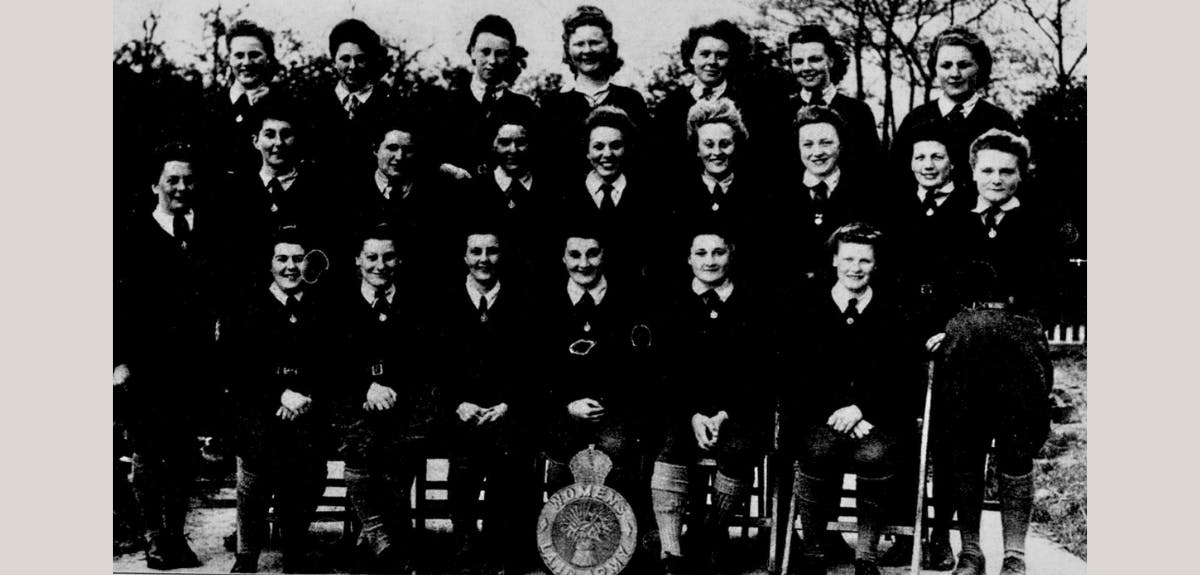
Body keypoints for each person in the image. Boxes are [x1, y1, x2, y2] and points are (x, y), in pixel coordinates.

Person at [782, 223, 922, 575]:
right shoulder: (808, 307)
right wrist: (836, 411)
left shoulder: (894, 311)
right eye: (848, 259)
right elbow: (798, 374)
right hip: (820, 418)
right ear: (834, 260)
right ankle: (813, 551)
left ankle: (866, 556)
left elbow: (903, 377)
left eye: (864, 260)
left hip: (876, 421)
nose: (855, 268)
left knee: (875, 455)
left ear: (876, 265)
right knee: (817, 450)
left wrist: (861, 410)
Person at [114, 142, 218, 571]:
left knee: (183, 453)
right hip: (145, 363)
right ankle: (153, 536)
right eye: (172, 179)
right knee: (147, 450)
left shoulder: (209, 232)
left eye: (188, 180)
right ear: (154, 185)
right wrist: (117, 359)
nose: (181, 187)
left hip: (193, 363)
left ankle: (176, 533)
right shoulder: (130, 232)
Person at [648, 228, 775, 575]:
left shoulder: (753, 303)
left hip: (737, 413)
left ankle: (711, 535)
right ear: (688, 258)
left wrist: (724, 414)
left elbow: (760, 371)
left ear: (731, 255)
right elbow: (663, 371)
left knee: (738, 449)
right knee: (669, 444)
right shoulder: (670, 303)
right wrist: (692, 415)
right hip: (683, 413)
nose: (710, 261)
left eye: (718, 252)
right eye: (701, 253)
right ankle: (671, 552)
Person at [223, 226, 335, 573]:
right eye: (282, 258)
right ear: (269, 263)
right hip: (260, 411)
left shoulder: (324, 308)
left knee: (308, 473)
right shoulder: (246, 307)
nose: (290, 267)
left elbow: (335, 362)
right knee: (256, 467)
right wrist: (279, 395)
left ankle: (294, 548)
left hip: (308, 412)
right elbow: (236, 368)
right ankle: (247, 553)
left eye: (298, 259)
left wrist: (308, 397)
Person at [932, 260, 1053, 575]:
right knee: (965, 451)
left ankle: (1014, 555)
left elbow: (1052, 277)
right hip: (966, 337)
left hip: (1020, 338)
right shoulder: (961, 317)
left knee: (1017, 451)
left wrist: (1032, 321)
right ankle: (971, 552)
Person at [335, 224, 440, 573]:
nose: (380, 265)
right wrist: (364, 389)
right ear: (357, 260)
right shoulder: (338, 305)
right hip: (353, 405)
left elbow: (426, 364)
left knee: (401, 446)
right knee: (361, 443)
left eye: (389, 257)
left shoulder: (417, 305)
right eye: (371, 257)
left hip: (404, 407)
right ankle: (385, 540)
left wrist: (396, 393)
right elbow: (328, 363)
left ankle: (373, 539)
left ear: (400, 260)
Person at [438, 228, 542, 575]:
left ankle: (502, 545)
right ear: (464, 257)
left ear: (502, 255)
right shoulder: (446, 301)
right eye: (476, 251)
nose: (484, 259)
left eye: (492, 251)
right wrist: (458, 403)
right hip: (460, 412)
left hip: (507, 413)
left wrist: (508, 405)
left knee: (511, 463)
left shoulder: (522, 302)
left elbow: (532, 366)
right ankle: (466, 541)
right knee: (464, 463)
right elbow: (434, 365)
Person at [537, 228, 652, 507]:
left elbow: (639, 369)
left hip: (614, 415)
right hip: (563, 413)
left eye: (592, 254)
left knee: (617, 451)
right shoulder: (545, 303)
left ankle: (616, 530)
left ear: (604, 256)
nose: (583, 264)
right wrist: (567, 405)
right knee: (559, 456)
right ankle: (563, 528)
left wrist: (607, 404)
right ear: (563, 258)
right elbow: (537, 369)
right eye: (574, 255)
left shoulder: (630, 301)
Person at [216, 103, 332, 300]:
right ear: (255, 141)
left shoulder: (319, 192)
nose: (278, 143)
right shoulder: (235, 193)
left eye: (286, 135)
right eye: (270, 135)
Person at [340, 115, 465, 286]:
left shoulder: (437, 194)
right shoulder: (352, 194)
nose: (399, 157)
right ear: (375, 149)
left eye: (408, 150)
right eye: (392, 148)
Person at [653, 20, 791, 174]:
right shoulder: (669, 107)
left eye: (721, 56)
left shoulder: (752, 103)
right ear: (691, 57)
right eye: (705, 54)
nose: (712, 62)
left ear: (732, 59)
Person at [665, 98, 774, 288]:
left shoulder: (759, 195)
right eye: (708, 144)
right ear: (697, 149)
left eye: (725, 144)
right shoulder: (676, 195)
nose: (716, 152)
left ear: (736, 146)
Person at [892, 26, 1019, 186]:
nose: (955, 74)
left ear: (979, 68)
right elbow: (895, 180)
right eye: (946, 66)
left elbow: (1013, 181)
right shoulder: (915, 120)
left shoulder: (999, 121)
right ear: (935, 69)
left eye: (964, 65)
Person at [540, 5, 651, 179]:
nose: (587, 51)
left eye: (595, 43)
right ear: (568, 49)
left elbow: (644, 160)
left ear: (609, 46)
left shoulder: (631, 100)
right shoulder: (553, 104)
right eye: (579, 44)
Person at [780, 105, 887, 285]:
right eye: (808, 144)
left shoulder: (867, 194)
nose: (817, 152)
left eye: (826, 143)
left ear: (840, 144)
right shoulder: (780, 195)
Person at [561, 105, 665, 287]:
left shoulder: (647, 196)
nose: (607, 154)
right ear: (587, 152)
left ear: (627, 148)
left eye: (616, 146)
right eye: (598, 147)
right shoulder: (566, 196)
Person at [435, 15, 541, 177]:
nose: (492, 60)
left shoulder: (525, 108)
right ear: (472, 51)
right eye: (485, 52)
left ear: (510, 56)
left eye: (500, 53)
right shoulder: (444, 104)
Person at [463, 110, 558, 288]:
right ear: (493, 144)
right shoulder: (474, 191)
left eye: (521, 143)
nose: (513, 150)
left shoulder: (551, 192)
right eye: (505, 142)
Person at [310, 19, 401, 177]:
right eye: (345, 59)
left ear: (370, 61)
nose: (352, 66)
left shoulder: (390, 105)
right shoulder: (316, 104)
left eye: (360, 59)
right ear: (334, 61)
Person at [787, 25, 880, 174]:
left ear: (831, 61)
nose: (806, 68)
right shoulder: (779, 112)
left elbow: (873, 168)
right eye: (798, 61)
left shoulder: (858, 112)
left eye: (815, 59)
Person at [202, 20, 290, 176]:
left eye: (255, 55)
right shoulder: (208, 106)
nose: (247, 63)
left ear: (268, 58)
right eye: (239, 55)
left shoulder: (285, 104)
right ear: (229, 59)